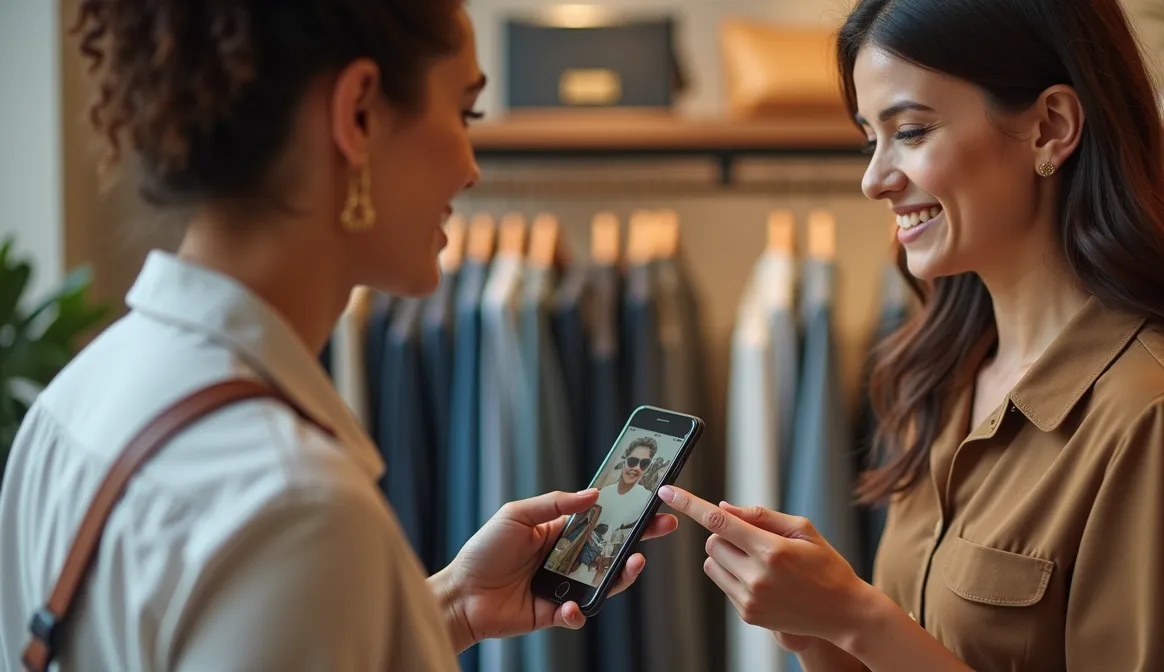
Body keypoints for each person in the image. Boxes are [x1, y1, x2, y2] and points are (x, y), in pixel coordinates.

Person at [0, 2, 678, 670]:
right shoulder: (296, 507)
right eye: (463, 112)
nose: (470, 168)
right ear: (358, 113)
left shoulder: (70, 405)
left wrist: (451, 608)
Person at [659, 0, 1164, 670]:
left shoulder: (1157, 415)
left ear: (1051, 127)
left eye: (913, 132)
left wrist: (857, 617)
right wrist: (821, 634)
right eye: (871, 139)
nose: (874, 179)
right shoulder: (947, 377)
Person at [572, 438, 660, 585]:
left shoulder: (645, 499)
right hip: (581, 563)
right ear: (625, 459)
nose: (636, 468)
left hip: (608, 569)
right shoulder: (603, 494)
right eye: (633, 461)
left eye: (643, 464)